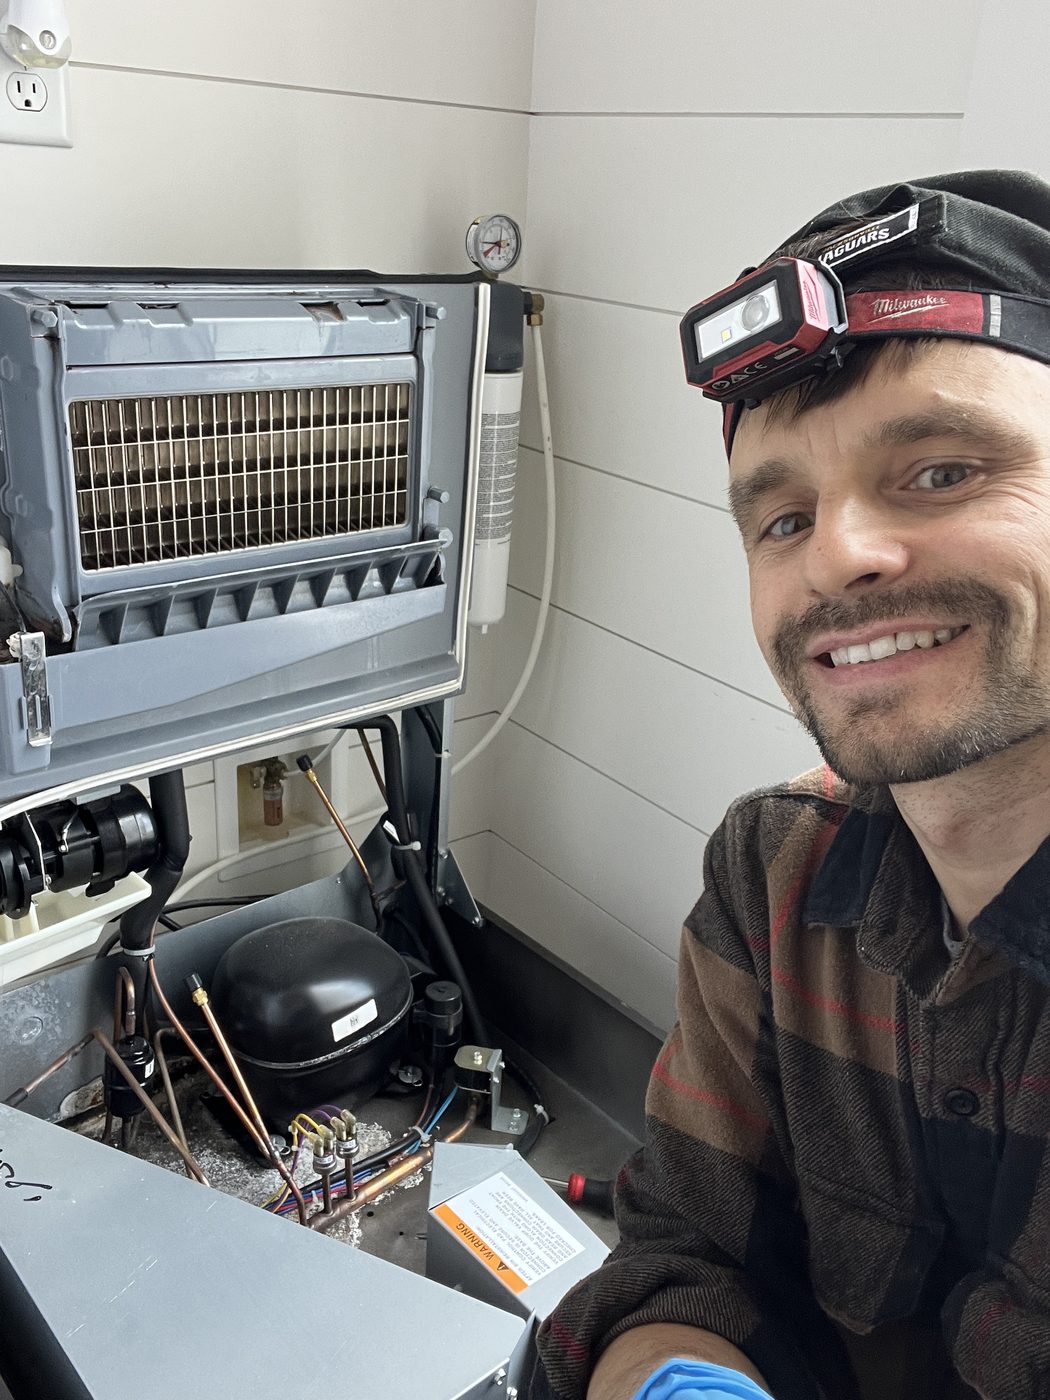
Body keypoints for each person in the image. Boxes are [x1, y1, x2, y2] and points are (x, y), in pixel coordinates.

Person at [526, 171, 1050, 1400]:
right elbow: (686, 1256)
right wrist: (670, 1369)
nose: (837, 555)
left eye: (943, 470)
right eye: (783, 518)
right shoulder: (774, 870)